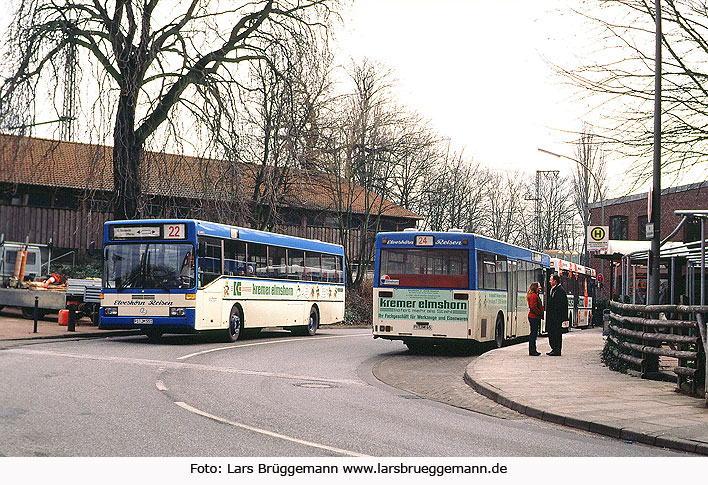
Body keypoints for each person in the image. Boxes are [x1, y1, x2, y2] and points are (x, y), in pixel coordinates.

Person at [546, 273, 568, 356]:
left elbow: (561, 305)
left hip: (556, 318)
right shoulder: (553, 290)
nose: (549, 281)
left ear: (555, 281)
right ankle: (554, 349)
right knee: (552, 333)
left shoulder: (560, 290)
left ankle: (556, 350)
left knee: (556, 333)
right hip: (553, 317)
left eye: (551, 280)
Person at [526, 282, 544, 356]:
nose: (540, 288)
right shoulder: (534, 296)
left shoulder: (534, 295)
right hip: (534, 317)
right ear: (535, 287)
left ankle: (533, 350)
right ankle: (532, 350)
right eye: (539, 286)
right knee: (533, 334)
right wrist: (539, 313)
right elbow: (533, 307)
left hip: (534, 317)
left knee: (533, 333)